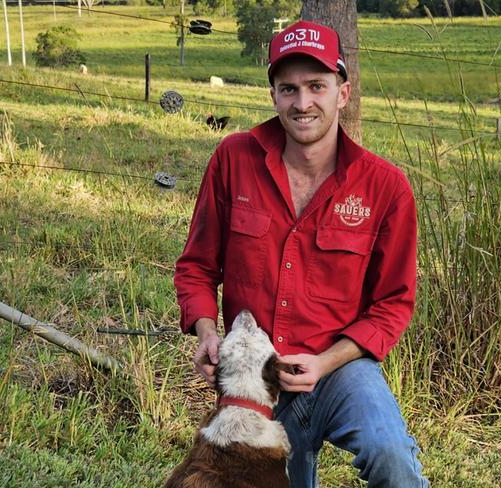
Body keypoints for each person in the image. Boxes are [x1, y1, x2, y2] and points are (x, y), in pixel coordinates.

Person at [174, 19, 428, 487]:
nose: (303, 102)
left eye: (317, 86)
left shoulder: (385, 187)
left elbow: (393, 304)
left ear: (342, 93)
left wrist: (326, 362)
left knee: (392, 456)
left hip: (340, 370)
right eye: (288, 89)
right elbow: (196, 267)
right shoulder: (233, 160)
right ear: (273, 95)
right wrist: (208, 332)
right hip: (257, 376)